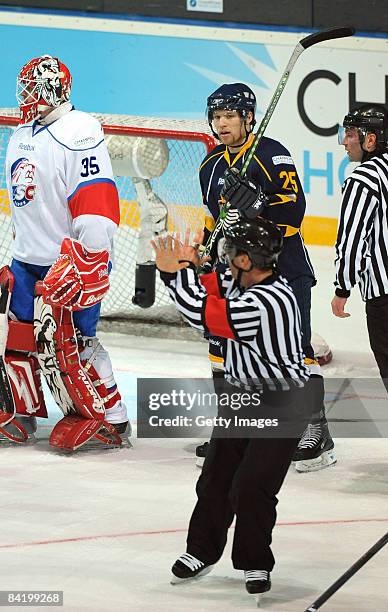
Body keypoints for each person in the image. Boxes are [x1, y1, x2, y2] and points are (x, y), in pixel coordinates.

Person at [151, 217, 311, 600]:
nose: (225, 256)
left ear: (245, 260)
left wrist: (174, 275)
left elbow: (204, 316)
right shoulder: (244, 281)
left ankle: (255, 560)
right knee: (216, 480)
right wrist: (189, 268)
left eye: (231, 251)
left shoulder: (268, 301)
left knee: (252, 487)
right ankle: (201, 550)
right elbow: (210, 288)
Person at [196, 82, 335, 472]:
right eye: (216, 117)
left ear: (247, 117)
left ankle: (315, 429)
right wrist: (207, 254)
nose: (221, 124)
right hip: (235, 271)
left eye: (228, 116)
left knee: (294, 349)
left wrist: (257, 203)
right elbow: (214, 220)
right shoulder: (210, 166)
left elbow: (294, 213)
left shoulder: (272, 155)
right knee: (226, 348)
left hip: (284, 267)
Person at [0, 54, 128, 448]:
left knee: (75, 342)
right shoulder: (25, 130)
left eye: (31, 87)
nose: (24, 95)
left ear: (52, 89)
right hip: (28, 258)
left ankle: (112, 416)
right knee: (17, 339)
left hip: (69, 261)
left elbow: (96, 201)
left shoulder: (80, 131)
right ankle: (21, 414)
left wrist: (89, 259)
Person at [332, 104, 388, 391]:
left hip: (384, 296)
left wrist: (343, 287)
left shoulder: (362, 179)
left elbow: (352, 239)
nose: (344, 140)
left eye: (351, 133)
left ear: (371, 139)